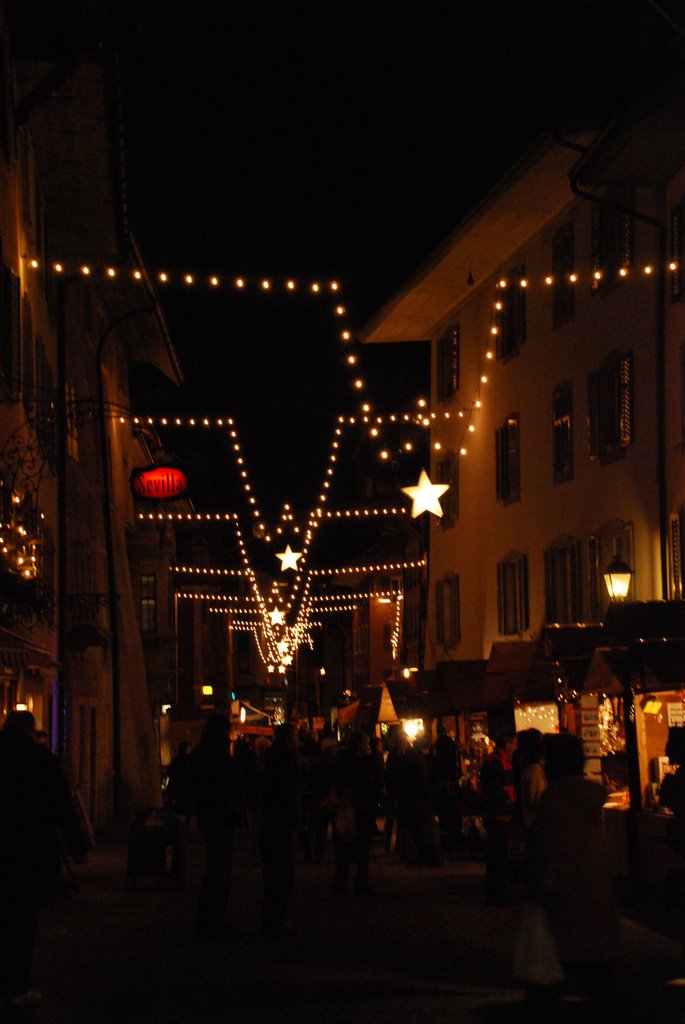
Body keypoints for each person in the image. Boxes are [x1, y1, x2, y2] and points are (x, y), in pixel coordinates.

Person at [526, 732, 620, 1019]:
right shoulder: (591, 797)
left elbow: (551, 853)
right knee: (599, 983)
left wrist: (541, 890)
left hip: (564, 906)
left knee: (549, 985)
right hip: (598, 902)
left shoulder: (554, 801)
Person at [0, 711, 90, 1009]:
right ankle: (16, 987)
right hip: (31, 850)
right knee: (23, 922)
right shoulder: (43, 762)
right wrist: (77, 845)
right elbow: (62, 807)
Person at [190, 715, 241, 941]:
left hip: (209, 816)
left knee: (214, 870)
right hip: (221, 816)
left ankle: (208, 919)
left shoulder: (201, 753)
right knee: (220, 871)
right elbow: (227, 782)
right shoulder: (219, 753)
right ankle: (214, 920)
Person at [259, 722, 300, 936]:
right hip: (279, 822)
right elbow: (286, 791)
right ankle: (274, 922)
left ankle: (271, 920)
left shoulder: (272, 756)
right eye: (295, 736)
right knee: (282, 875)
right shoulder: (283, 757)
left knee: (275, 876)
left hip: (272, 821)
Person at [331, 729, 377, 895]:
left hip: (354, 807)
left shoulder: (345, 760)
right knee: (356, 848)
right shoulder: (359, 761)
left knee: (349, 848)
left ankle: (346, 883)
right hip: (354, 808)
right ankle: (356, 884)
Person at [479, 730, 517, 905]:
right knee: (497, 856)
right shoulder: (497, 762)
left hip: (498, 812)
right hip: (498, 813)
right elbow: (493, 787)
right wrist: (506, 796)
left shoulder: (498, 760)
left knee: (498, 855)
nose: (516, 747)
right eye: (514, 743)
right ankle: (497, 894)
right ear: (508, 744)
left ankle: (497, 892)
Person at [165, 741, 194, 828]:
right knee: (181, 805)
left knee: (184, 805)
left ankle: (183, 823)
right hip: (181, 786)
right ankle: (181, 823)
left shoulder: (185, 760)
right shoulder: (185, 761)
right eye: (188, 749)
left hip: (183, 786)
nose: (189, 751)